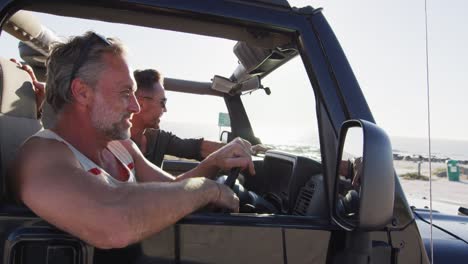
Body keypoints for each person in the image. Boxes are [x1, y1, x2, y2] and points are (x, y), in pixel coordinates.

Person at [13, 31, 255, 249]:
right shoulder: (41, 155)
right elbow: (111, 221)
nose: (135, 106)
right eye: (126, 93)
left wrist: (214, 162)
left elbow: (172, 190)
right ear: (82, 92)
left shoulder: (119, 145)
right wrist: (207, 189)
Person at [131, 69, 269, 167]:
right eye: (162, 103)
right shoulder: (115, 143)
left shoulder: (159, 138)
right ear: (141, 103)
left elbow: (198, 147)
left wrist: (243, 149)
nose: (165, 109)